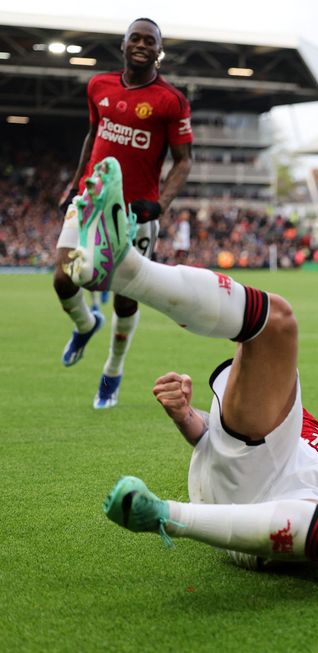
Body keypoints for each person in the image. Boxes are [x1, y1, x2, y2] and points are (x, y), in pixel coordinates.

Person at [66, 157, 318, 571]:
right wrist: (184, 413)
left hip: (283, 529)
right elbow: (220, 438)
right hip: (246, 470)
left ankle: (166, 515)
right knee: (277, 320)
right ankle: (125, 268)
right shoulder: (293, 423)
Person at [54, 17, 193, 410]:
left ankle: (112, 371)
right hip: (90, 200)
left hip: (136, 213)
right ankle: (85, 325)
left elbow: (184, 161)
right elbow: (93, 135)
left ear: (159, 50)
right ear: (124, 44)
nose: (142, 45)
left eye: (151, 41)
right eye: (136, 38)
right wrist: (75, 184)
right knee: (63, 279)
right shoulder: (99, 86)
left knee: (126, 299)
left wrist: (161, 204)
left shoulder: (171, 101)